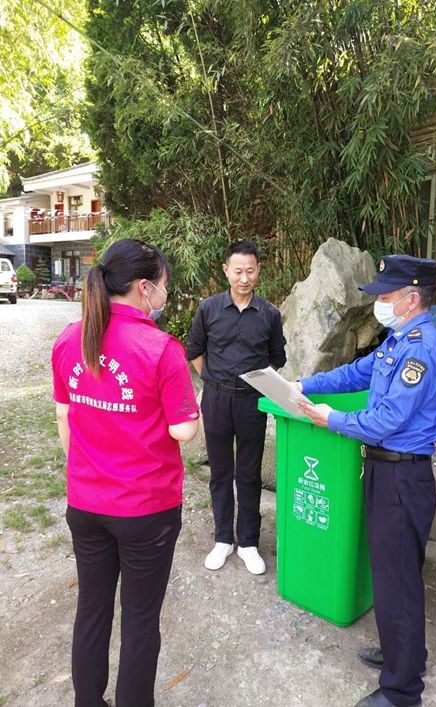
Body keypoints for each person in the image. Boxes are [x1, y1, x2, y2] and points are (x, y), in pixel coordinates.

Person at [296, 255, 436, 707]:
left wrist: (332, 420)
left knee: (397, 580)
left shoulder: (420, 349)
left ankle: (402, 691)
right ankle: (404, 653)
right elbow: (355, 373)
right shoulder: (396, 340)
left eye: (386, 295)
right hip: (386, 472)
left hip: (403, 477)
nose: (380, 303)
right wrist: (307, 385)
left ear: (411, 299)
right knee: (393, 576)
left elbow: (387, 419)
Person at [52, 238, 199, 707]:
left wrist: (88, 471)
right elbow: (183, 431)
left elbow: (64, 415)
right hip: (146, 511)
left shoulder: (70, 339)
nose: (164, 295)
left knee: (92, 611)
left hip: (85, 504)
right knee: (139, 621)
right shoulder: (161, 348)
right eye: (163, 286)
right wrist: (195, 406)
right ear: (143, 288)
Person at [187, 240, 286, 575]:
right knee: (220, 471)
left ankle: (248, 542)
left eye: (250, 271)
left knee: (249, 472)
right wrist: (212, 380)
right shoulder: (209, 308)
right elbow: (195, 350)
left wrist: (255, 384)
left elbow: (276, 358)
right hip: (216, 399)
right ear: (226, 271)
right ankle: (222, 540)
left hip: (251, 401)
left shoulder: (269, 314)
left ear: (259, 271)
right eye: (238, 271)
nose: (244, 278)